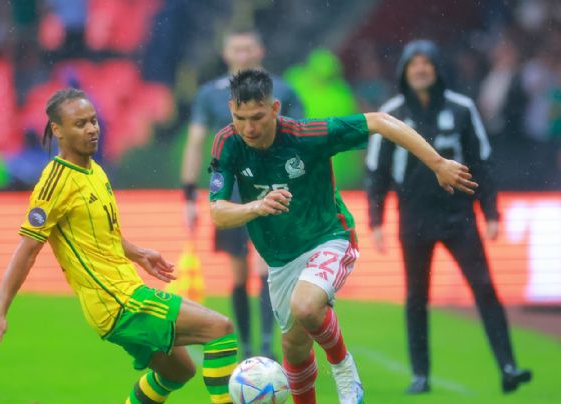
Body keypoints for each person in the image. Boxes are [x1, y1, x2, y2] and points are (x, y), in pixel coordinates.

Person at [209, 68, 477, 404]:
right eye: (240, 117)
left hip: (329, 237)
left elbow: (380, 120)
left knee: (306, 307)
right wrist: (257, 207)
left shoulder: (308, 135)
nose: (248, 127)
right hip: (280, 259)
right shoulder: (227, 142)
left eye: (257, 117)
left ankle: (345, 370)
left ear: (275, 108)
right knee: (294, 347)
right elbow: (218, 213)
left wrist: (437, 163)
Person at [0, 88, 238, 404]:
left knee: (178, 371)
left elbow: (102, 235)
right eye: (80, 124)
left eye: (93, 121)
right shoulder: (55, 182)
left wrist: (138, 253)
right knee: (220, 328)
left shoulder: (95, 170)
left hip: (124, 292)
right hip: (119, 302)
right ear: (58, 130)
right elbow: (27, 249)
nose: (91, 129)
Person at [365, 39, 532, 394]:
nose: (421, 69)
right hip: (413, 218)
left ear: (438, 68)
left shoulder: (461, 108)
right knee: (415, 297)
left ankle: (509, 367)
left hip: (460, 216)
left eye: (427, 63)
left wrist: (490, 212)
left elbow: (482, 162)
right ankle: (420, 374)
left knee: (485, 288)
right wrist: (376, 220)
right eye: (414, 64)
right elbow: (376, 171)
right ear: (404, 72)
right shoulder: (390, 112)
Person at [181, 28, 304, 359]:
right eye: (238, 49)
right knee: (238, 271)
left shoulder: (285, 90)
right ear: (227, 54)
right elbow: (195, 143)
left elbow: (301, 141)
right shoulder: (209, 94)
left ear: (260, 51)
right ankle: (248, 346)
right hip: (231, 195)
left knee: (266, 267)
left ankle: (267, 346)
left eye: (249, 49)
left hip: (272, 191)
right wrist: (189, 195)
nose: (244, 55)